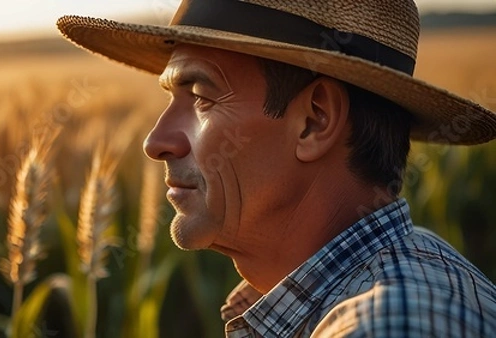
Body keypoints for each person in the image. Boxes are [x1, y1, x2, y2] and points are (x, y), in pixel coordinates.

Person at [58, 0, 496, 336]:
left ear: (314, 121)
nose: (156, 142)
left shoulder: (388, 323)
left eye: (203, 98)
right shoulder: (394, 269)